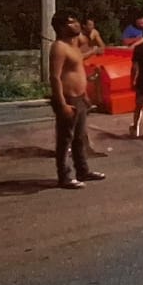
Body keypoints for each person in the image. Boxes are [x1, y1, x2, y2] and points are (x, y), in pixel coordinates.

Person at [49, 10, 107, 189]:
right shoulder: (59, 47)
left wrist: (86, 96)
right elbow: (55, 77)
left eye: (76, 22)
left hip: (80, 97)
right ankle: (64, 176)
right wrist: (62, 103)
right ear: (60, 27)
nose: (76, 26)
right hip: (68, 99)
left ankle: (83, 170)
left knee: (80, 138)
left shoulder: (74, 45)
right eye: (71, 23)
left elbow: (87, 48)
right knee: (65, 139)